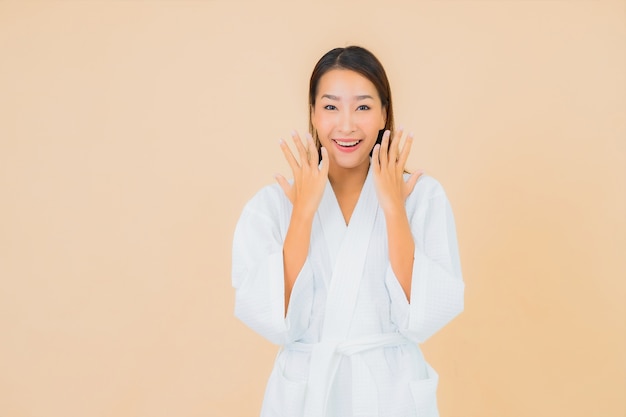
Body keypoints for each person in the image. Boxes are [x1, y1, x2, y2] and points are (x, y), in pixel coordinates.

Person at [232, 45, 465, 417]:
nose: (346, 125)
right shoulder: (270, 206)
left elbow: (421, 317)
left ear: (384, 111)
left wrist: (392, 207)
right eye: (330, 107)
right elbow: (277, 321)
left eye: (362, 106)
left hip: (389, 392)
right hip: (308, 391)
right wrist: (303, 213)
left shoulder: (422, 197)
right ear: (312, 112)